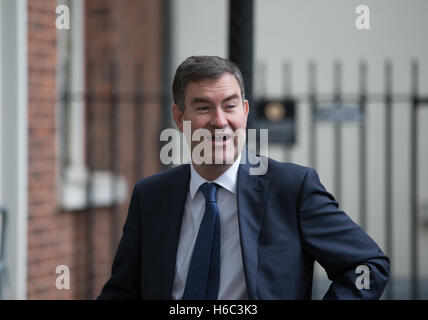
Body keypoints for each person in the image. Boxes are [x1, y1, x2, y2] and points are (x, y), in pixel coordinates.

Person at [98, 56, 389, 300]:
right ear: (179, 117)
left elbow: (367, 265)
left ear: (245, 111)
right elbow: (122, 292)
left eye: (230, 105)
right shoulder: (151, 195)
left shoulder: (291, 187)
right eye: (203, 107)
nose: (220, 121)